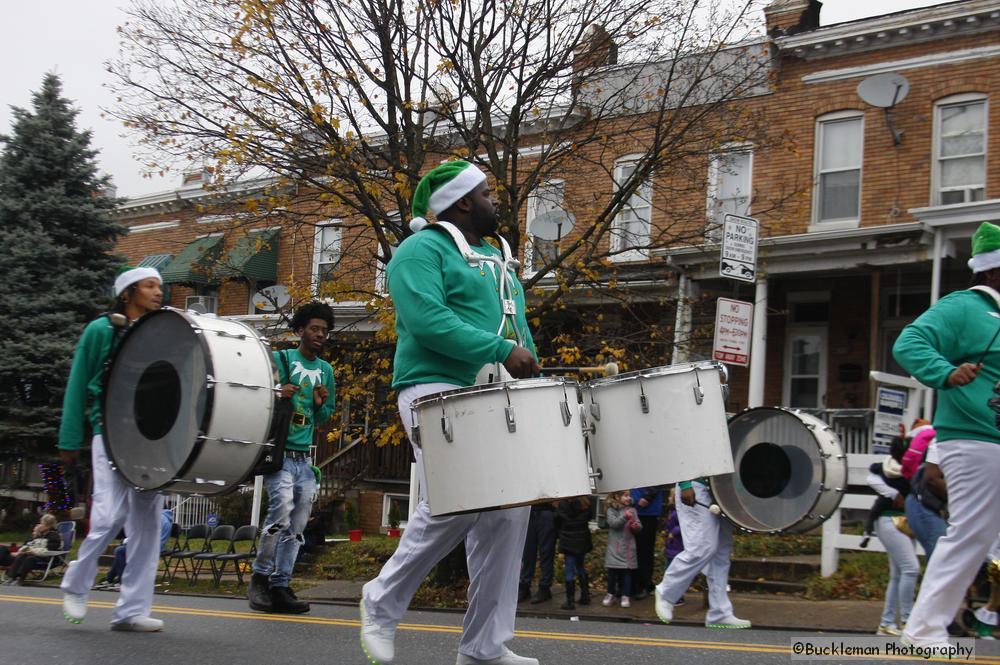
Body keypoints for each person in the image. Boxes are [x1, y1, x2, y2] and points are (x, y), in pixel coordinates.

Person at [359, 160, 542, 665]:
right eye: (486, 192)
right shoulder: (419, 250)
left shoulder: (496, 257)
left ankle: (484, 645)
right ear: (462, 202)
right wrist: (501, 350)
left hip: (497, 393)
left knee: (509, 510)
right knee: (463, 492)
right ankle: (380, 602)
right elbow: (426, 319)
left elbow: (516, 327)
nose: (494, 200)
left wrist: (528, 362)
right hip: (433, 385)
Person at [893, 221, 1000, 651]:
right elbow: (909, 342)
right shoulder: (966, 307)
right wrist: (947, 373)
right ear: (994, 270)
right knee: (971, 533)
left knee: (977, 535)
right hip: (974, 438)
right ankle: (922, 630)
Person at [58, 266, 165, 631]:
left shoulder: (161, 331)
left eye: (160, 286)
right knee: (107, 517)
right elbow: (77, 384)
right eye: (150, 285)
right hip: (110, 431)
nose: (157, 291)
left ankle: (131, 610)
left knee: (148, 524)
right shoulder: (101, 330)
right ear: (128, 292)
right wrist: (69, 440)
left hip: (152, 438)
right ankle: (76, 583)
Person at [248, 301, 336, 615]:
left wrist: (318, 403)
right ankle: (259, 578)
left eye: (324, 330)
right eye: (314, 328)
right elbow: (256, 396)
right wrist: (276, 391)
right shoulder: (280, 359)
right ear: (300, 330)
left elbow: (324, 416)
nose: (320, 335)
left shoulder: (326, 371)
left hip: (305, 460)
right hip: (280, 455)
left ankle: (281, 585)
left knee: (297, 527)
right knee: (280, 512)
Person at [653, 478, 750, 629]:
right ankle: (666, 592)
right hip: (696, 484)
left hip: (724, 489)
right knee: (702, 547)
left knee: (721, 554)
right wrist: (685, 484)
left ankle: (720, 613)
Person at [866, 438, 917, 637]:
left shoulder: (914, 469)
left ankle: (886, 624)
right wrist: (894, 494)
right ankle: (907, 622)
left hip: (906, 522)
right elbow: (870, 478)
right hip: (888, 520)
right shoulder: (887, 467)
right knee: (911, 569)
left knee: (898, 574)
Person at [96, 508, 174, 591]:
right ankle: (110, 579)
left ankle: (122, 580)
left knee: (120, 551)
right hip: (153, 547)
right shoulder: (163, 519)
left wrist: (129, 542)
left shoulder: (158, 519)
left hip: (151, 549)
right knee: (121, 550)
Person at [603, 490, 641, 608]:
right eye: (625, 495)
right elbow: (613, 523)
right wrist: (625, 517)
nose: (628, 498)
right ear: (617, 496)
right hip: (615, 547)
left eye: (629, 495)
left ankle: (625, 595)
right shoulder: (611, 510)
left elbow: (639, 526)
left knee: (627, 573)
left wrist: (636, 526)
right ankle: (610, 593)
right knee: (612, 573)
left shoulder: (632, 510)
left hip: (628, 547)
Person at [1, 513, 61, 585]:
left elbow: (49, 548)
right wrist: (35, 536)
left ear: (48, 526)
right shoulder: (38, 534)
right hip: (31, 554)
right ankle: (12, 577)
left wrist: (33, 549)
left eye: (42, 524)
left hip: (46, 557)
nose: (40, 525)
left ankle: (21, 579)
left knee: (29, 559)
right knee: (21, 556)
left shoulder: (54, 535)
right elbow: (26, 545)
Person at [555, 497, 593, 610]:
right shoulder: (585, 503)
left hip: (568, 539)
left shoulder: (563, 504)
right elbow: (589, 517)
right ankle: (585, 595)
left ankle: (570, 601)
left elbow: (556, 520)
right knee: (580, 566)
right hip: (582, 539)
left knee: (569, 569)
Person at [629, 486, 664, 600]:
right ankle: (631, 584)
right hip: (630, 510)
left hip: (647, 512)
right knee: (631, 550)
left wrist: (648, 496)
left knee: (644, 551)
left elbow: (658, 479)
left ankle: (644, 585)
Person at [518, 503, 557, 604]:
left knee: (546, 553)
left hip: (546, 510)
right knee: (528, 553)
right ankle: (525, 586)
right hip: (529, 511)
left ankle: (544, 587)